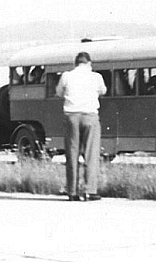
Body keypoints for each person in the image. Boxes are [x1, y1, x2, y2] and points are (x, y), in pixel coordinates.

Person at [56, 52, 107, 201]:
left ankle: (72, 192)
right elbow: (103, 91)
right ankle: (90, 191)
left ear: (76, 63)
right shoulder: (96, 76)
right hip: (90, 116)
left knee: (72, 154)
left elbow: (59, 92)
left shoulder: (66, 75)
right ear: (89, 63)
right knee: (91, 154)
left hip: (72, 117)